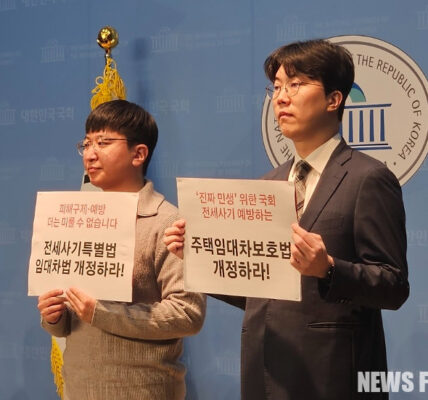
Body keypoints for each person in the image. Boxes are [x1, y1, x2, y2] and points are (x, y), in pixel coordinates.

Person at [164, 39, 409, 399]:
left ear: (334, 99)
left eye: (295, 85)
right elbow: (260, 289)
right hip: (264, 368)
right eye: (277, 87)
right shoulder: (268, 185)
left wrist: (329, 269)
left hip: (332, 375)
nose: (281, 98)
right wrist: (200, 258)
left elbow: (393, 285)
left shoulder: (368, 178)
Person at [37, 100, 206, 400]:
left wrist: (100, 312)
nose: (90, 154)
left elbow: (187, 313)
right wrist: (54, 316)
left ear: (138, 154)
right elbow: (68, 324)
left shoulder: (168, 222)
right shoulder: (77, 220)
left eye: (103, 143)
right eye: (86, 143)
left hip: (144, 390)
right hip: (80, 389)